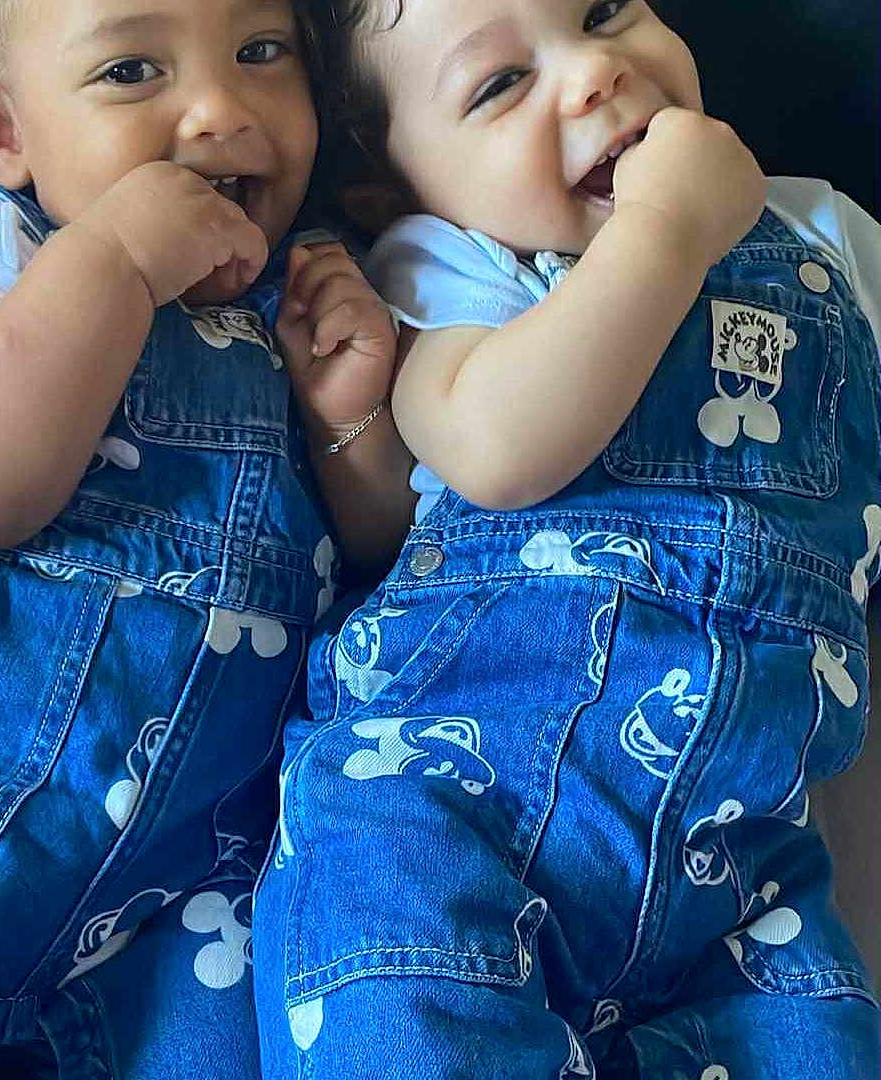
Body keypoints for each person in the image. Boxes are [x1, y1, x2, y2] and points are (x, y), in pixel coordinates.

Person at [253, 0, 881, 1076]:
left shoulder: (830, 234)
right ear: (395, 189)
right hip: (444, 804)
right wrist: (667, 232)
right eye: (500, 85)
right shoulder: (461, 269)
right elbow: (497, 448)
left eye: (602, 11)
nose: (594, 73)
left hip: (741, 864)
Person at [0, 0, 410, 1076]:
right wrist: (114, 262)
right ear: (1, 133)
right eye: (132, 69)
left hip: (183, 905)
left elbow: (381, 558)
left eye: (261, 53)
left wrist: (350, 411)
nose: (223, 109)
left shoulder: (323, 284)